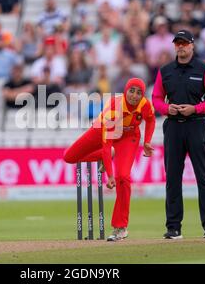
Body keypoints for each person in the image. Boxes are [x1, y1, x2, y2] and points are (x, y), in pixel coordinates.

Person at [152, 29, 205, 239]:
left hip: (197, 125)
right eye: (178, 43)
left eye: (184, 43)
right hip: (174, 126)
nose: (181, 46)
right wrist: (167, 109)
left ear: (192, 45)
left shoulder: (204, 69)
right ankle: (173, 228)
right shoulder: (165, 71)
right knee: (172, 178)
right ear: (174, 46)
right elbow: (156, 98)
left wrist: (196, 109)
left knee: (204, 177)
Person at [64, 78, 156, 241]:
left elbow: (150, 120)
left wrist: (147, 141)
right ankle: (104, 160)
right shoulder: (115, 108)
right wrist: (110, 175)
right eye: (131, 91)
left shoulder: (145, 104)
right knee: (69, 157)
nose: (134, 96)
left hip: (129, 137)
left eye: (139, 92)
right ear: (125, 91)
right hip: (101, 131)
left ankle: (120, 227)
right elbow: (107, 146)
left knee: (124, 178)